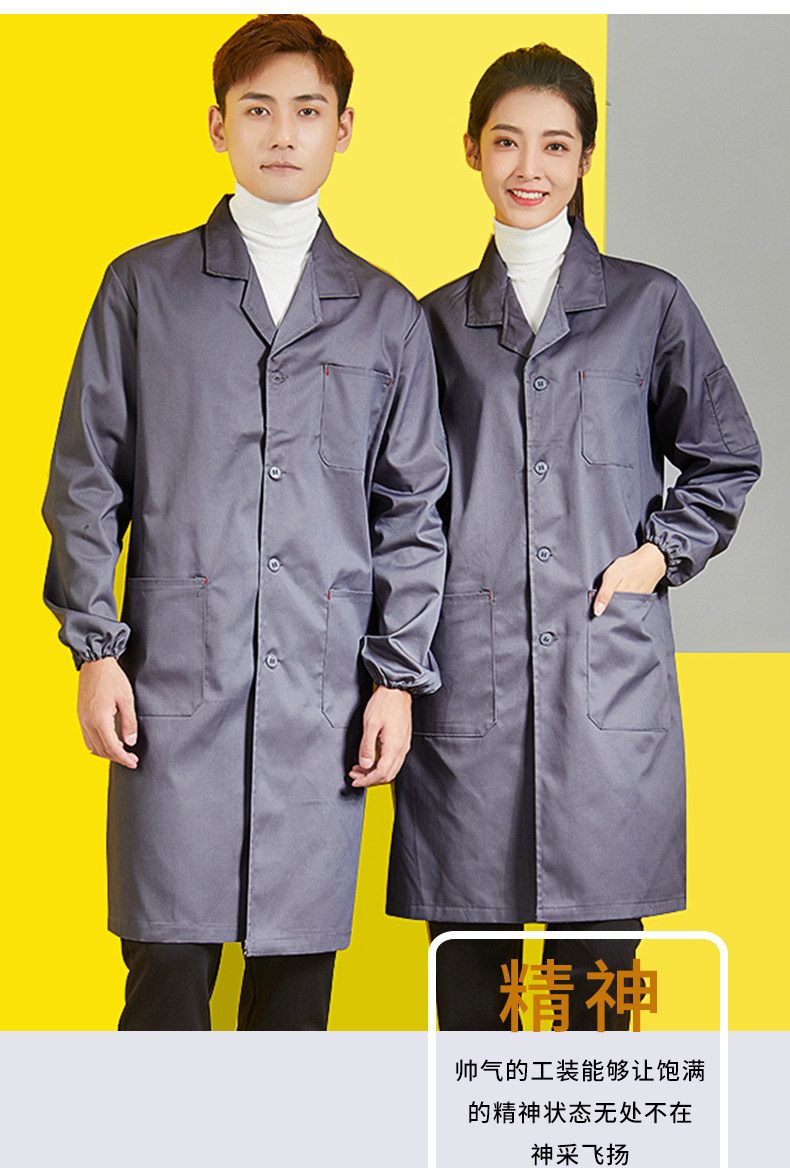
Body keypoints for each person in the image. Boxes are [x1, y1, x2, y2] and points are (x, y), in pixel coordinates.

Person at [43, 13, 447, 1031]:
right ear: (217, 124)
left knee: (295, 996)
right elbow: (88, 480)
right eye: (257, 110)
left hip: (324, 697)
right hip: (171, 683)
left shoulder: (387, 313)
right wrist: (94, 652)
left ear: (342, 130)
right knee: (168, 972)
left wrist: (397, 679)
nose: (282, 133)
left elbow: (412, 512)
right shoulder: (144, 288)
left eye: (307, 111)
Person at [388, 44, 761, 1030]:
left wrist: (656, 556)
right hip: (468, 681)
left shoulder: (649, 305)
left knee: (600, 996)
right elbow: (399, 504)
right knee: (471, 994)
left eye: (555, 145)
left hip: (606, 676)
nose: (529, 167)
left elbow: (724, 456)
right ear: (471, 149)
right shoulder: (427, 324)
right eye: (506, 141)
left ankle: (591, 1139)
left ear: (586, 157)